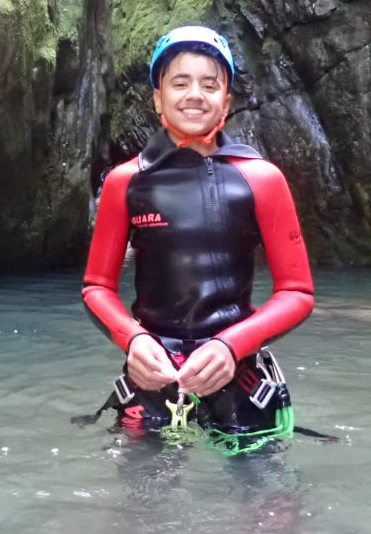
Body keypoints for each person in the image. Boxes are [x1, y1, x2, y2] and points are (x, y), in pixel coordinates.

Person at [80, 25, 315, 452]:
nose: (195, 95)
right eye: (180, 83)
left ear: (226, 100)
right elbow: (97, 287)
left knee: (262, 491)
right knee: (144, 490)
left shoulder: (262, 179)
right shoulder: (125, 182)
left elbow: (297, 293)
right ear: (158, 98)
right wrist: (133, 339)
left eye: (209, 85)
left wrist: (231, 345)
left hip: (237, 371)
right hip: (152, 371)